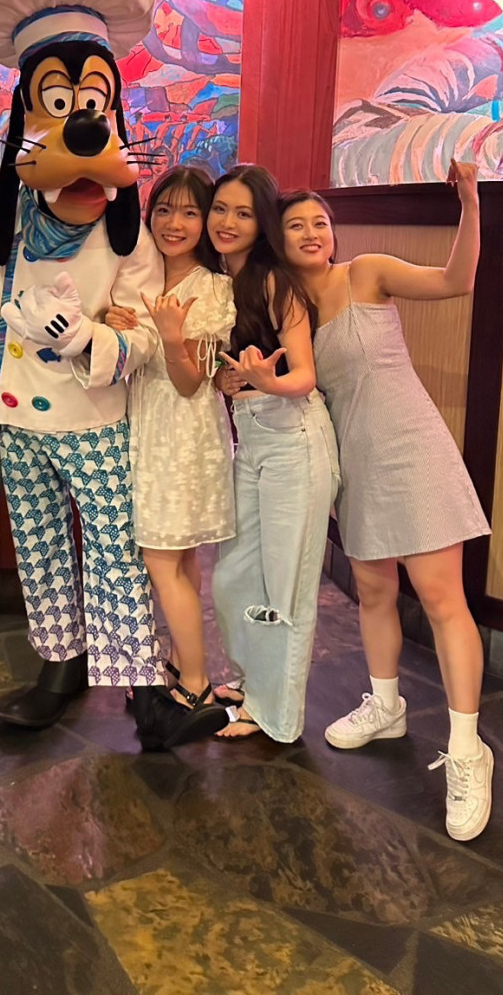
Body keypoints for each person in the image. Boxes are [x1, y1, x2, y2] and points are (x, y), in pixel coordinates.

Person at [280, 161, 493, 842]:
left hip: (412, 451)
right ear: (278, 241)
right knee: (374, 591)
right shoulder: (288, 309)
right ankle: (386, 705)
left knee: (441, 599)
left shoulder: (366, 273)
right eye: (296, 225)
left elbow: (455, 281)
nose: (312, 232)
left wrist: (470, 203)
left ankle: (468, 750)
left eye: (319, 222)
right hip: (355, 465)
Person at [208, 164, 340, 746]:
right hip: (254, 437)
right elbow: (227, 371)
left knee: (286, 585)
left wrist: (266, 381)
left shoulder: (274, 283)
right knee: (234, 575)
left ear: (262, 223)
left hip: (296, 439)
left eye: (243, 213)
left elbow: (304, 375)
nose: (227, 222)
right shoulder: (219, 281)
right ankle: (250, 680)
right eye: (220, 209)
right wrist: (229, 381)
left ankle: (275, 716)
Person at [106, 165, 233, 745]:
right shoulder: (142, 276)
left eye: (189, 212)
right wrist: (114, 323)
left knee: (162, 559)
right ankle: (184, 667)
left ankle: (198, 685)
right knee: (177, 561)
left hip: (182, 436)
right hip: (150, 428)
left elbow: (190, 382)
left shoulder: (211, 287)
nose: (173, 223)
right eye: (163, 209)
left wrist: (170, 334)